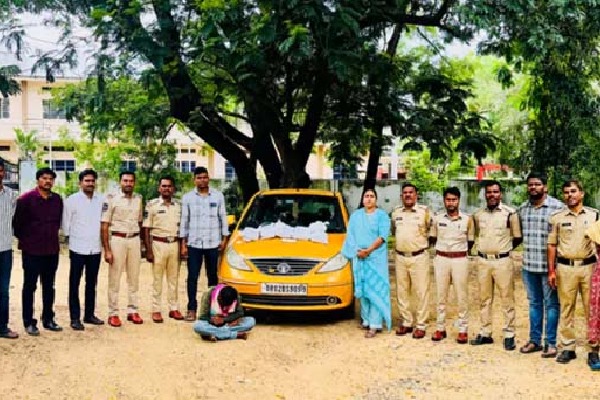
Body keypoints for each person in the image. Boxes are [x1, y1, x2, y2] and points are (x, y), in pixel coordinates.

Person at [548, 180, 598, 365]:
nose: (570, 195)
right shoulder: (557, 218)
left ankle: (593, 349)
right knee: (566, 308)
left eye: (573, 191)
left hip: (589, 268)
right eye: (566, 192)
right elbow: (552, 245)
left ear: (581, 194)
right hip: (565, 268)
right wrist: (551, 271)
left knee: (592, 309)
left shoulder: (594, 216)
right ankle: (568, 348)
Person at [471, 180, 522, 350]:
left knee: (507, 298)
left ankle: (509, 334)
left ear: (501, 194)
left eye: (495, 192)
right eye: (489, 192)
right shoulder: (478, 215)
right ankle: (485, 332)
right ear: (485, 194)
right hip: (483, 261)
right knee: (484, 299)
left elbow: (517, 237)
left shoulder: (510, 214)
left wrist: (504, 249)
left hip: (502, 262)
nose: (492, 195)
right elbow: (476, 234)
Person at [518, 172, 564, 357]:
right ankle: (534, 340)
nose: (533, 187)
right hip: (529, 266)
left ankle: (550, 343)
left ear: (545, 187)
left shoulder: (557, 208)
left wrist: (555, 268)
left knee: (552, 305)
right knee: (534, 304)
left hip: (549, 268)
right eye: (530, 184)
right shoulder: (523, 209)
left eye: (537, 184)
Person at [13, 167, 63, 336]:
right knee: (30, 286)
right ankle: (28, 322)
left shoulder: (57, 200)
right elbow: (17, 225)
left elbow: (57, 222)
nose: (47, 181)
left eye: (50, 178)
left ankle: (48, 319)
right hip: (32, 251)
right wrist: (28, 240)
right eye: (44, 178)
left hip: (51, 250)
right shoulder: (26, 199)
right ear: (38, 180)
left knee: (49, 286)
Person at [180, 166, 229, 322]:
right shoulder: (188, 198)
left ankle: (213, 310)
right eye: (199, 178)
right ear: (194, 180)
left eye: (205, 177)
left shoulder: (218, 196)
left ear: (209, 178)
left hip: (213, 243)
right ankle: (191, 309)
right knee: (192, 277)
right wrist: (183, 243)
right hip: (194, 244)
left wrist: (224, 239)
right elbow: (184, 221)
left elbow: (223, 217)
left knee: (212, 277)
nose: (202, 180)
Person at [342, 188, 392, 338]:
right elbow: (350, 236)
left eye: (372, 196)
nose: (369, 199)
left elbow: (382, 237)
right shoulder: (356, 216)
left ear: (376, 199)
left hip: (376, 258)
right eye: (366, 196)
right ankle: (366, 320)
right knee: (363, 290)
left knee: (375, 290)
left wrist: (368, 250)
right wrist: (357, 251)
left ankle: (375, 325)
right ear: (362, 199)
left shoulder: (382, 216)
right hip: (359, 257)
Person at [429, 187, 474, 344]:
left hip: (460, 259)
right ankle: (440, 328)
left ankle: (463, 329)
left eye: (454, 200)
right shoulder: (437, 219)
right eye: (448, 200)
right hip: (442, 259)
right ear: (444, 201)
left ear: (459, 201)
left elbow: (471, 241)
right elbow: (432, 238)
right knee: (441, 295)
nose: (451, 203)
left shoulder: (467, 219)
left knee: (461, 296)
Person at [62, 169, 105, 331]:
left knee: (91, 283)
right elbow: (66, 224)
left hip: (95, 248)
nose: (90, 183)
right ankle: (75, 318)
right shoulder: (71, 200)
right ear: (80, 183)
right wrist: (70, 239)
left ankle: (89, 314)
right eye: (87, 181)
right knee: (74, 283)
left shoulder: (101, 200)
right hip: (77, 248)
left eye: (92, 181)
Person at [101, 171, 144, 327]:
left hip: (134, 240)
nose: (128, 183)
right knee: (115, 278)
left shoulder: (139, 199)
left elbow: (140, 222)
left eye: (131, 181)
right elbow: (104, 225)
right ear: (120, 182)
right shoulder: (111, 199)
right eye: (125, 180)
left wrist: (142, 243)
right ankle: (113, 313)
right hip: (117, 240)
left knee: (134, 278)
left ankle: (133, 310)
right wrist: (107, 249)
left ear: (134, 183)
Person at [391, 182, 432, 339]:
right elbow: (394, 230)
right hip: (400, 256)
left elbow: (431, 231)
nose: (408, 195)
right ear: (401, 196)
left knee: (421, 291)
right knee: (402, 291)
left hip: (419, 256)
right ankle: (407, 322)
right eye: (405, 193)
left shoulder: (424, 212)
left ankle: (421, 324)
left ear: (416, 195)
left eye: (411, 192)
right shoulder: (396, 213)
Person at [143, 176, 184, 323]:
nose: (167, 188)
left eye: (169, 186)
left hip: (174, 244)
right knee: (157, 279)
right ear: (159, 188)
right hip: (158, 244)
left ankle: (173, 308)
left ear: (173, 189)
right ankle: (156, 309)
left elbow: (183, 228)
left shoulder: (179, 206)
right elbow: (146, 228)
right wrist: (148, 250)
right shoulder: (152, 205)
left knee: (173, 278)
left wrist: (183, 247)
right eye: (164, 186)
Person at [0, 159, 18, 339]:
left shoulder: (11, 195)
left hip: (5, 250)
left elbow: (14, 219)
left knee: (3, 291)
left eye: (0, 170)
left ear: (3, 173)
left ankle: (2, 327)